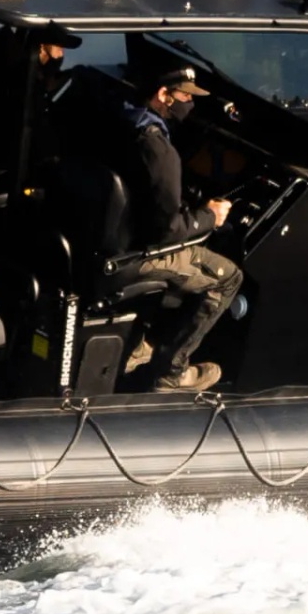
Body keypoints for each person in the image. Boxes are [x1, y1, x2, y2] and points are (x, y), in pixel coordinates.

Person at [97, 63, 242, 392]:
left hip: (101, 240)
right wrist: (210, 217)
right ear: (163, 95)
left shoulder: (114, 120)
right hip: (136, 254)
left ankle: (139, 348)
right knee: (228, 277)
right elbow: (170, 232)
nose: (190, 104)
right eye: (184, 96)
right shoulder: (158, 149)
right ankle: (171, 372)